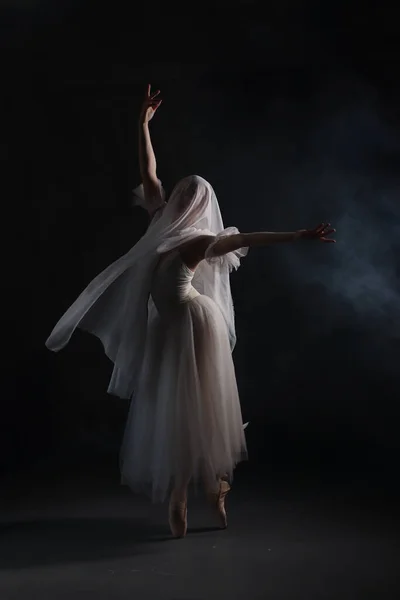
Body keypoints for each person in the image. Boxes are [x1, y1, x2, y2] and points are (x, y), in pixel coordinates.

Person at [46, 85, 335, 539]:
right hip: (172, 327)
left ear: (196, 207)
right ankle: (187, 491)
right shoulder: (160, 223)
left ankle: (209, 486)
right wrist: (142, 124)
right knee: (174, 408)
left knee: (198, 406)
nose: (178, 200)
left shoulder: (198, 241)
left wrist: (298, 235)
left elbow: (244, 240)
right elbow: (150, 171)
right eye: (181, 194)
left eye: (187, 197)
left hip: (195, 323)